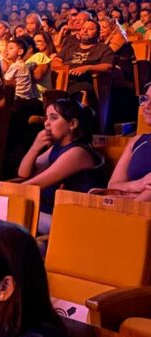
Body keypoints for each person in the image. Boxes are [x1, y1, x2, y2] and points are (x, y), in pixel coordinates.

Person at [18, 99, 104, 235]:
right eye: (46, 118)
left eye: (53, 118)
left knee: (13, 215)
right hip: (48, 211)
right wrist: (35, 147)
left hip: (70, 219)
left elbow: (36, 183)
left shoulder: (78, 153)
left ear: (72, 124)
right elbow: (23, 173)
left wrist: (6, 194)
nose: (46, 123)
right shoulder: (57, 146)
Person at [96, 82, 151, 200]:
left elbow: (141, 204)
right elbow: (113, 185)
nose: (147, 105)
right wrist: (138, 185)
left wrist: (125, 194)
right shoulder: (137, 141)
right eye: (146, 99)